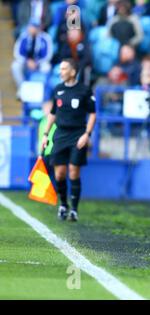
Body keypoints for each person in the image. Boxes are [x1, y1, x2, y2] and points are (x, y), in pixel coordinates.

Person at [40, 59, 97, 222]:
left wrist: (87, 134)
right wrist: (45, 135)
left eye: (64, 69)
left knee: (74, 171)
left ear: (73, 72)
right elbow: (52, 113)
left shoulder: (85, 90)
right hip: (61, 135)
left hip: (78, 134)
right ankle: (63, 204)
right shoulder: (58, 90)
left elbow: (93, 114)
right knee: (59, 173)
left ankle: (74, 209)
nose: (60, 72)